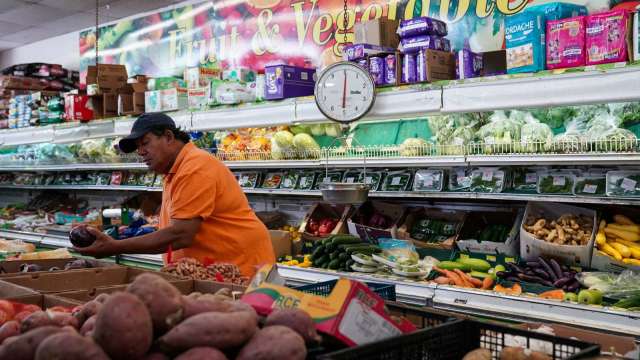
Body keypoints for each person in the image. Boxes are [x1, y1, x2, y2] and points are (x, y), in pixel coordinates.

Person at [75, 113, 275, 277]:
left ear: (169, 137)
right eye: (138, 147)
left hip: (242, 271)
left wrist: (114, 247)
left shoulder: (194, 168)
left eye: (145, 143)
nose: (141, 152)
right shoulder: (174, 170)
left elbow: (181, 234)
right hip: (216, 271)